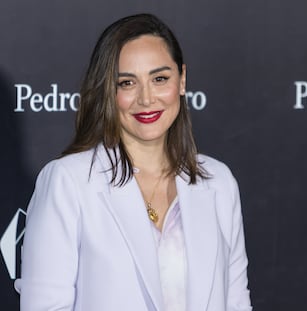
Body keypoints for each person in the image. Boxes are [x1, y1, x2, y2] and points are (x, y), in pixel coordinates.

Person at [15, 13, 252, 311]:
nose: (146, 98)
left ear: (182, 80)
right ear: (108, 92)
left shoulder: (218, 182)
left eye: (160, 79)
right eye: (127, 83)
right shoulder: (68, 182)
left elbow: (236, 303)